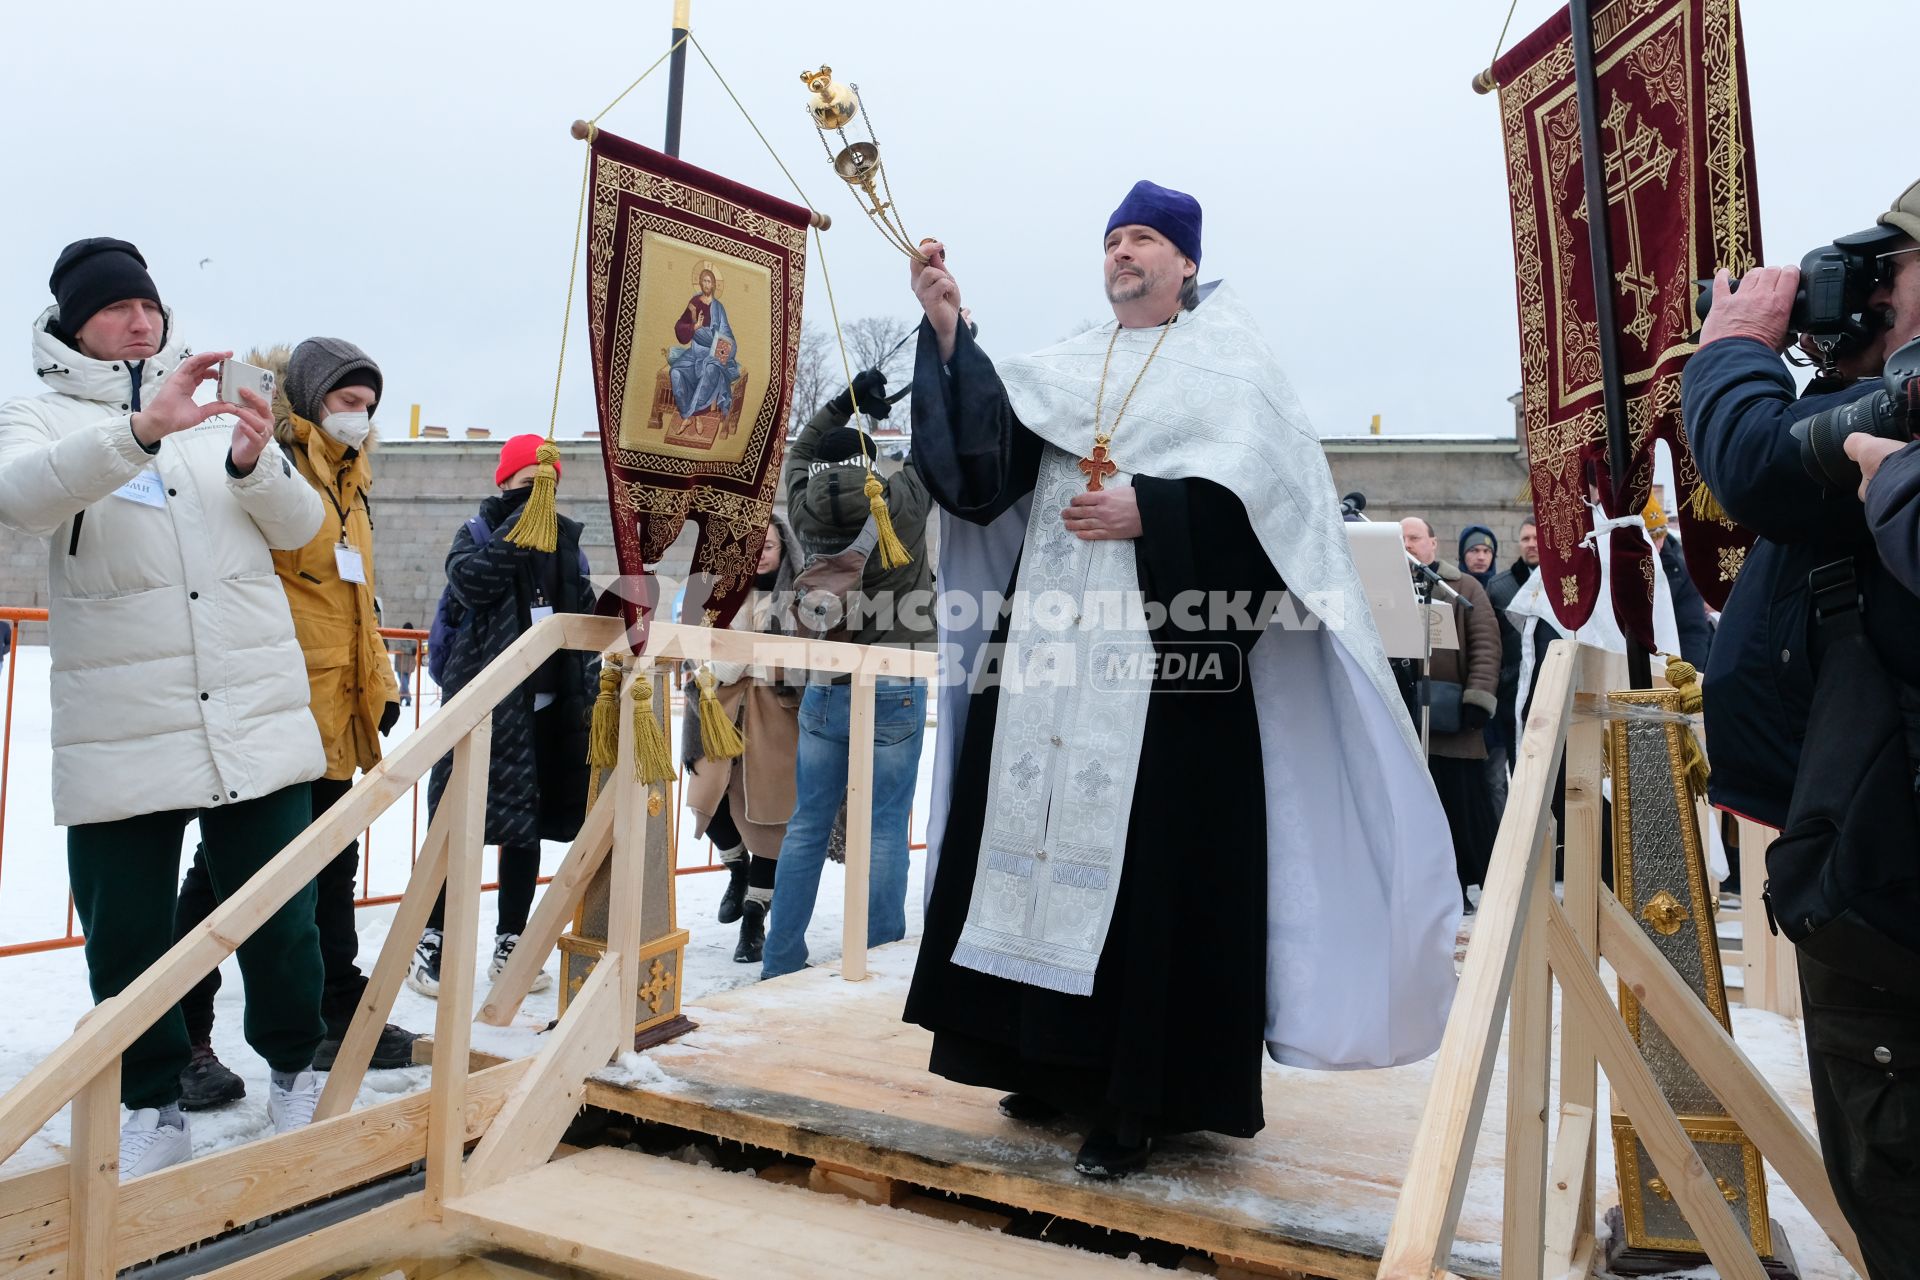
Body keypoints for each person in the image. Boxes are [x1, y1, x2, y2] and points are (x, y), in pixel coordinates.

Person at [901, 182, 1458, 1179]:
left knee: (1150, 886)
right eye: (1113, 238)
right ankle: (1046, 1060)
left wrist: (1153, 512)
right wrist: (950, 332)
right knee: (1025, 849)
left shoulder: (1236, 373)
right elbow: (981, 471)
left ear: (1186, 262)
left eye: (1145, 239)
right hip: (1045, 670)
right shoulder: (1069, 364)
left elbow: (1284, 535)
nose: (1124, 252)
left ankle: (1134, 1097)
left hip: (1170, 685)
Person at [0, 238, 329, 1176]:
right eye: (114, 308)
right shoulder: (36, 413)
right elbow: (18, 497)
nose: (139, 320)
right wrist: (137, 432)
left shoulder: (217, 407)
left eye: (146, 304)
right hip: (122, 721)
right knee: (129, 933)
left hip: (252, 715)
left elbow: (303, 529)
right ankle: (150, 1101)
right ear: (73, 324)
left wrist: (253, 460)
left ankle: (294, 1070)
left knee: (282, 917)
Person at [1682, 177, 1920, 1276]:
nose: (1863, 289)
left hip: (1888, 893)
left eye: (1889, 269)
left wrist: (1733, 347)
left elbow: (1758, 465)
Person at [170, 338, 412, 1110]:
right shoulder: (270, 466)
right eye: (347, 401)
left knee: (332, 866)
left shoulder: (355, 481)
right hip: (273, 707)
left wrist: (380, 681)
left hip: (336, 708)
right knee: (227, 879)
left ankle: (335, 1007)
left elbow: (354, 598)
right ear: (310, 401)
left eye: (368, 403)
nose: (360, 416)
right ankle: (180, 1032)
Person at [408, 435, 598, 997]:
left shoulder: (567, 544)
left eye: (547, 489)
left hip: (545, 710)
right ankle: (433, 937)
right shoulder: (478, 533)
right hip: (482, 707)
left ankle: (511, 938)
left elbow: (582, 616)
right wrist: (522, 528)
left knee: (526, 827)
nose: (538, 498)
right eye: (526, 487)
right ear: (504, 484)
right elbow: (471, 584)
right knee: (453, 822)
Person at [760, 370, 934, 980]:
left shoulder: (804, 509)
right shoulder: (901, 504)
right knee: (884, 823)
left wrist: (844, 403)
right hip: (894, 680)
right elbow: (932, 448)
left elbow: (803, 447)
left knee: (808, 822)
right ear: (870, 463)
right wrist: (941, 366)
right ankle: (880, 954)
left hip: (828, 682)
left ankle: (780, 957)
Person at [682, 514, 806, 964]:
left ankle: (754, 919)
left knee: (771, 819)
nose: (760, 556)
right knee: (709, 801)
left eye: (769, 547)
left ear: (783, 549)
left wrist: (745, 658)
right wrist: (715, 666)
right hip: (717, 712)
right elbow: (694, 646)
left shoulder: (797, 595)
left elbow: (801, 658)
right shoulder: (715, 591)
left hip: (775, 719)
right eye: (752, 547)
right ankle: (736, 867)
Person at [1399, 517, 1500, 910]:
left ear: (1433, 544)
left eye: (1414, 538)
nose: (1408, 545)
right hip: (1407, 725)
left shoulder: (1463, 588)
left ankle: (1468, 887)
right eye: (1402, 539)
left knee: (1460, 811)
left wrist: (1477, 700)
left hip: (1452, 725)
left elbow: (1486, 647)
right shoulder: (1388, 588)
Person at [1641, 497, 1713, 669]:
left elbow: (1691, 630)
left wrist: (1690, 677)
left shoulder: (1679, 571)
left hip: (1669, 664)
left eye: (1660, 538)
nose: (1658, 546)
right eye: (1651, 539)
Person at [393, 623, 417, 706]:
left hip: (409, 665)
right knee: (404, 683)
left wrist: (413, 650)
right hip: (400, 665)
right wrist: (410, 651)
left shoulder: (414, 639)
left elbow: (416, 647)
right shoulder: (399, 637)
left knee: (404, 684)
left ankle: (400, 698)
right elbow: (398, 648)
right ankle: (408, 699)